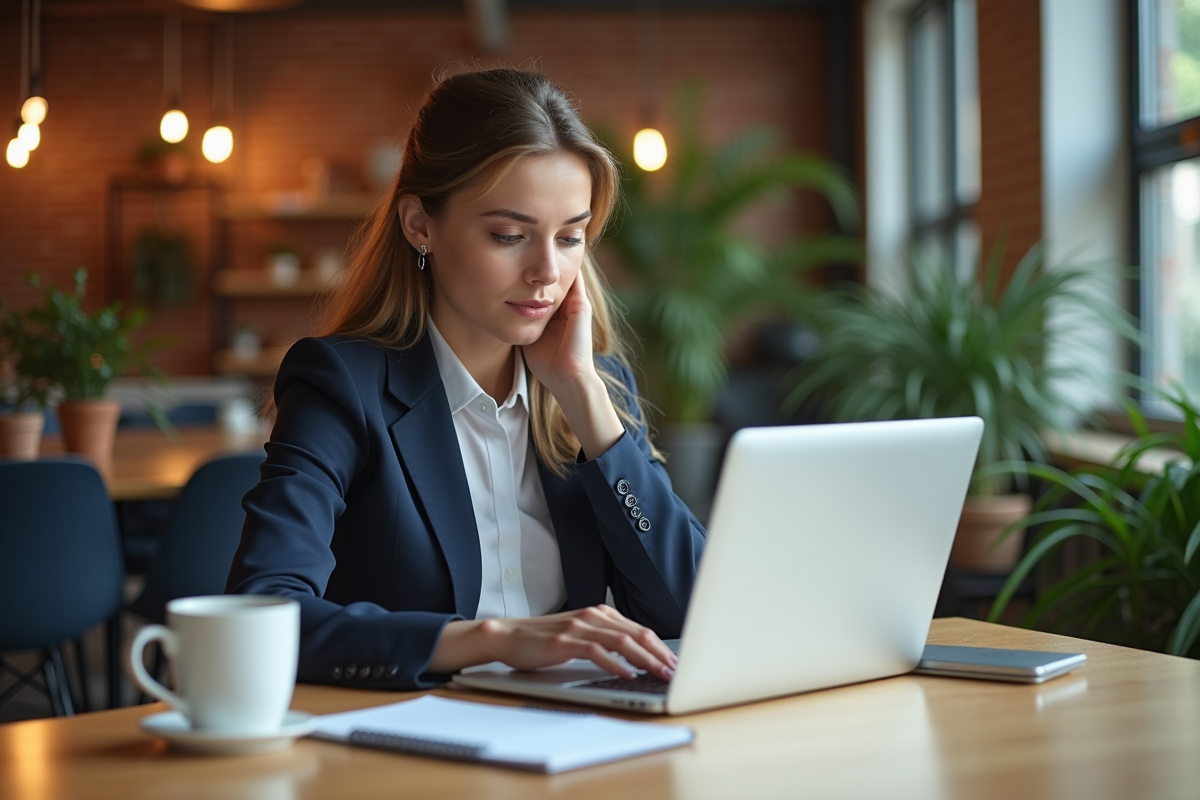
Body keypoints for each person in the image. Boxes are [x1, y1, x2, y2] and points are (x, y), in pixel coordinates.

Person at [226, 68, 706, 691]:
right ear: (419, 225)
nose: (546, 271)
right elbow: (264, 611)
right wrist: (493, 640)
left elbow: (691, 610)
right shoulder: (342, 383)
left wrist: (584, 398)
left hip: (577, 746)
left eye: (570, 238)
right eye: (509, 235)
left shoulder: (594, 386)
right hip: (403, 750)